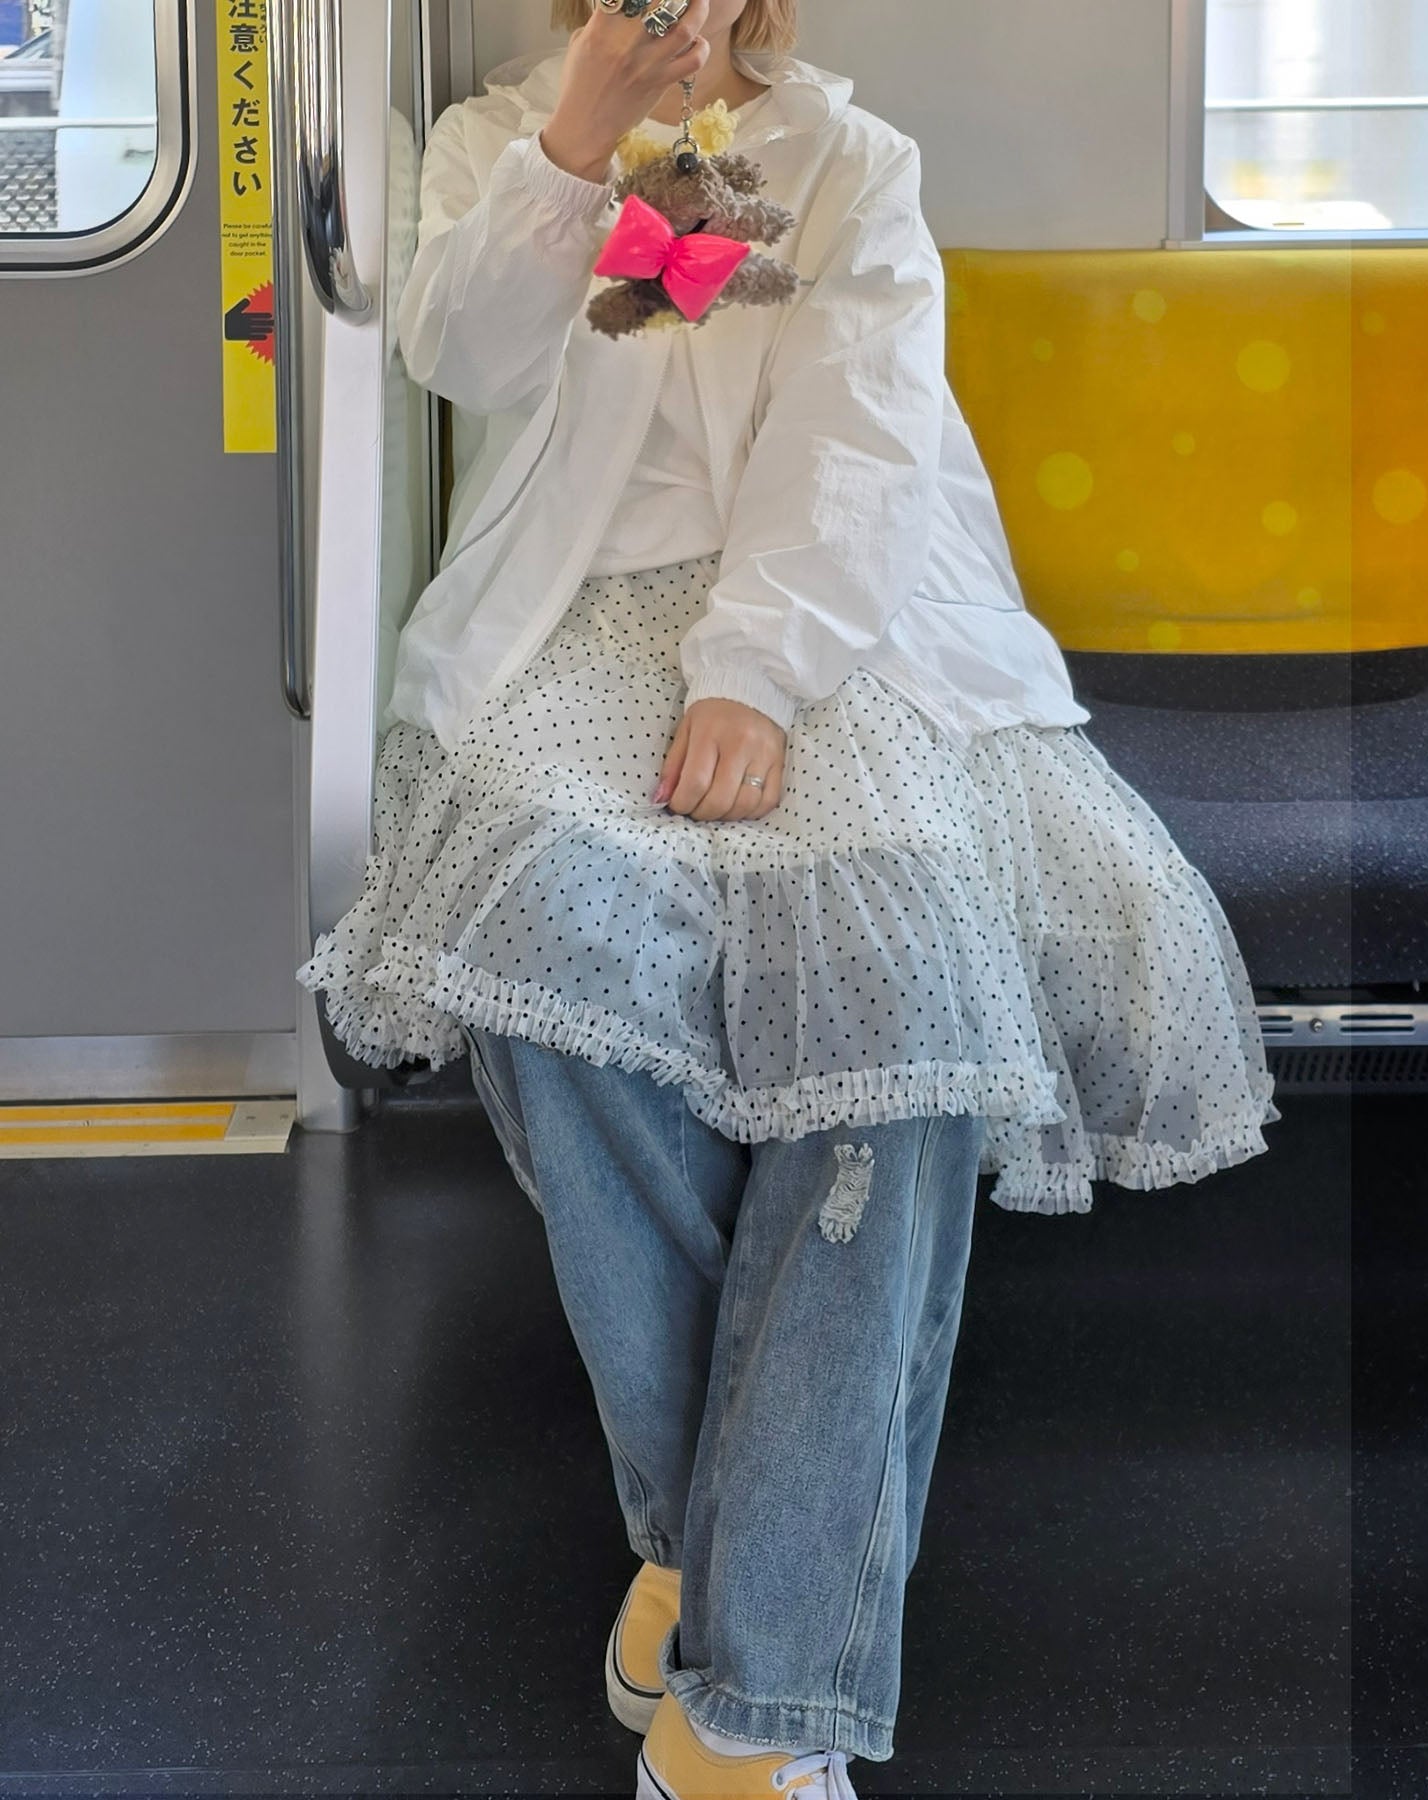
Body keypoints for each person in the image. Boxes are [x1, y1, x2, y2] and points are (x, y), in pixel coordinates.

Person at [296, 2, 1281, 1794]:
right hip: (570, 626)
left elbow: (859, 438)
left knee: (901, 1034)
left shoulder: (852, 162)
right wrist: (574, 150)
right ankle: (732, 1567)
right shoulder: (492, 141)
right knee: (546, 974)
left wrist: (754, 672)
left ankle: (748, 1694)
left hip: (845, 630)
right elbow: (465, 358)